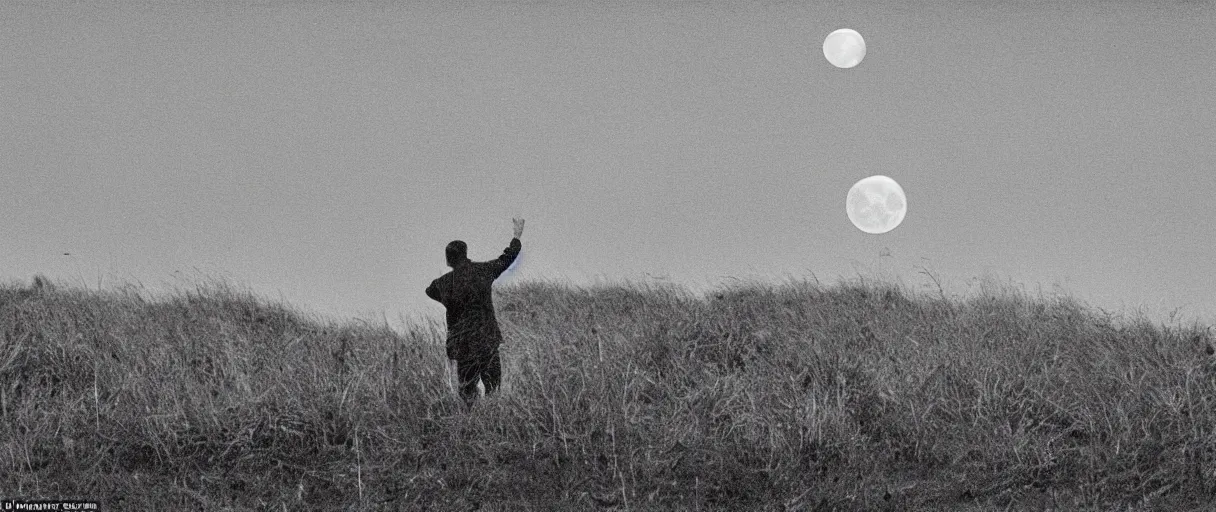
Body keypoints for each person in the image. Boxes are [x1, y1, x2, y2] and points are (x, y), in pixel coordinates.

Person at [425, 218, 524, 408]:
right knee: (493, 390)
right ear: (465, 254)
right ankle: (491, 426)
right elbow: (507, 258)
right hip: (487, 340)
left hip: (463, 346)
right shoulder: (483, 271)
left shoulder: (443, 283)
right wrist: (516, 236)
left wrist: (448, 299)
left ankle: (470, 427)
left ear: (448, 259)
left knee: (467, 395)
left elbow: (430, 290)